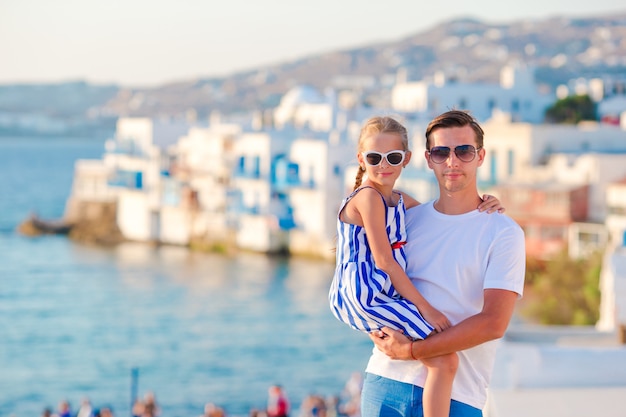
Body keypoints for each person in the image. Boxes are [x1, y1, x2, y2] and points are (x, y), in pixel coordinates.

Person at [328, 116, 504, 417]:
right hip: (367, 294)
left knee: (444, 361)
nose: (384, 165)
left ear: (406, 159)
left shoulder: (396, 200)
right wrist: (427, 310)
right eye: (374, 158)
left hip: (371, 293)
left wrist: (484, 203)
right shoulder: (370, 197)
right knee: (446, 361)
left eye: (393, 157)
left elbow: (438, 216)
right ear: (361, 159)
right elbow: (384, 261)